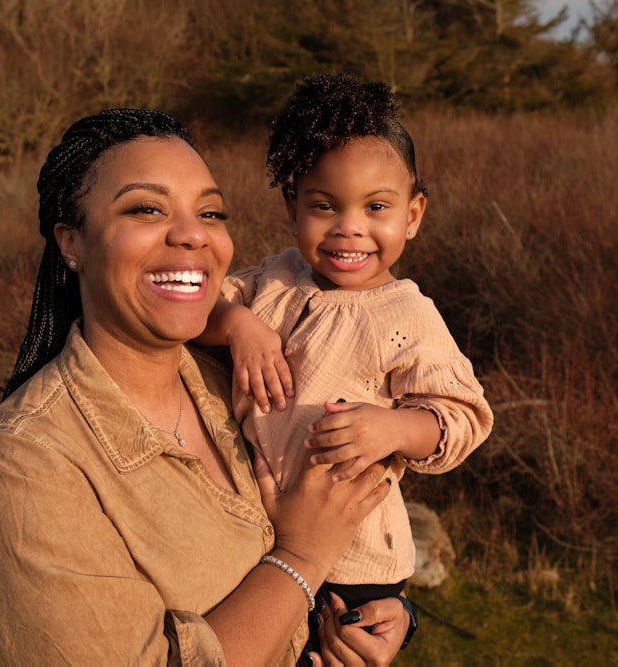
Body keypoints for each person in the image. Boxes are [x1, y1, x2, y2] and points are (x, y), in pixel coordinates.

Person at [0, 108, 415, 665]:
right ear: (71, 241)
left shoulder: (243, 382)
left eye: (211, 212)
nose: (194, 233)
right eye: (146, 208)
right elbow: (306, 545)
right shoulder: (25, 461)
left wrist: (376, 618)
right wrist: (303, 557)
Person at [198, 73, 494, 641]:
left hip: (356, 562)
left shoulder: (405, 315)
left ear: (412, 214)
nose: (349, 227)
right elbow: (197, 310)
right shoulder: (274, 278)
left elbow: (464, 417)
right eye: (324, 205)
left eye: (376, 206)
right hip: (257, 536)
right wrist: (237, 324)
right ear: (293, 207)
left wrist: (394, 427)